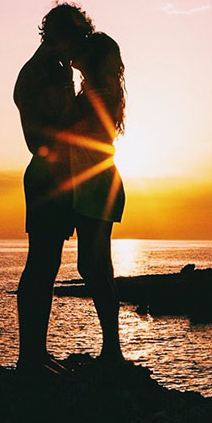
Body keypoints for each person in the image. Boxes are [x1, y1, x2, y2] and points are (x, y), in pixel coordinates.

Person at [14, 3, 92, 374]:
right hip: (46, 177)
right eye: (76, 39)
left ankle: (37, 352)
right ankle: (29, 357)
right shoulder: (38, 72)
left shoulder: (58, 69)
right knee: (40, 265)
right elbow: (38, 137)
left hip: (58, 177)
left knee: (49, 265)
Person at [66, 31, 127, 364]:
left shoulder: (100, 93)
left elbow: (89, 132)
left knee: (95, 269)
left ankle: (112, 349)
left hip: (98, 187)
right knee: (96, 268)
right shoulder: (94, 90)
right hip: (94, 186)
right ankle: (112, 349)